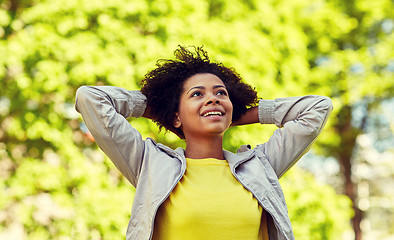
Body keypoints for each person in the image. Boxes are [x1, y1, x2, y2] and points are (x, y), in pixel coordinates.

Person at [75, 46, 333, 240]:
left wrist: (240, 115)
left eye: (221, 93)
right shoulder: (149, 165)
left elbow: (317, 108)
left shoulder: (261, 167)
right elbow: (91, 99)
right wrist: (162, 111)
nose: (213, 99)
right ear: (177, 114)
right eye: (197, 94)